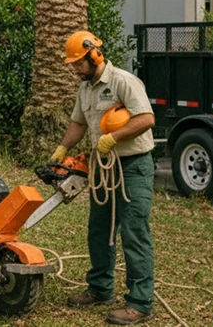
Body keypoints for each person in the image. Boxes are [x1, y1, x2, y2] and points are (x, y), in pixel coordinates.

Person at [51, 31, 156, 326]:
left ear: (94, 55)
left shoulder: (123, 81)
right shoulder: (85, 88)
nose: (75, 69)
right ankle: (100, 289)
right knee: (100, 230)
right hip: (104, 168)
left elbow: (146, 118)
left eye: (77, 63)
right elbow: (78, 123)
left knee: (134, 233)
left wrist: (114, 137)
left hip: (132, 166)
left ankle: (140, 303)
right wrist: (63, 149)